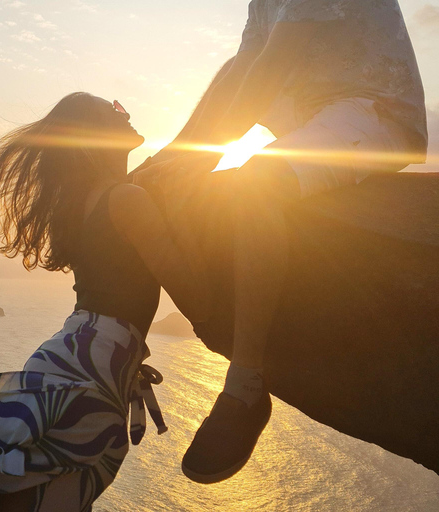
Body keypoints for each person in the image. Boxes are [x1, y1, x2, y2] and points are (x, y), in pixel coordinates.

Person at [0, 92, 213, 512]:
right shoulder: (125, 199)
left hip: (83, 350)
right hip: (97, 359)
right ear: (89, 137)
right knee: (48, 480)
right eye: (115, 111)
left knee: (25, 489)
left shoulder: (87, 203)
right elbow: (189, 287)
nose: (127, 113)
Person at [134, 0, 427, 484]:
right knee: (234, 67)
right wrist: (173, 159)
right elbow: (247, 66)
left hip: (374, 108)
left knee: (255, 184)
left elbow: (274, 65)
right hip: (314, 107)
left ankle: (246, 385)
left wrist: (196, 162)